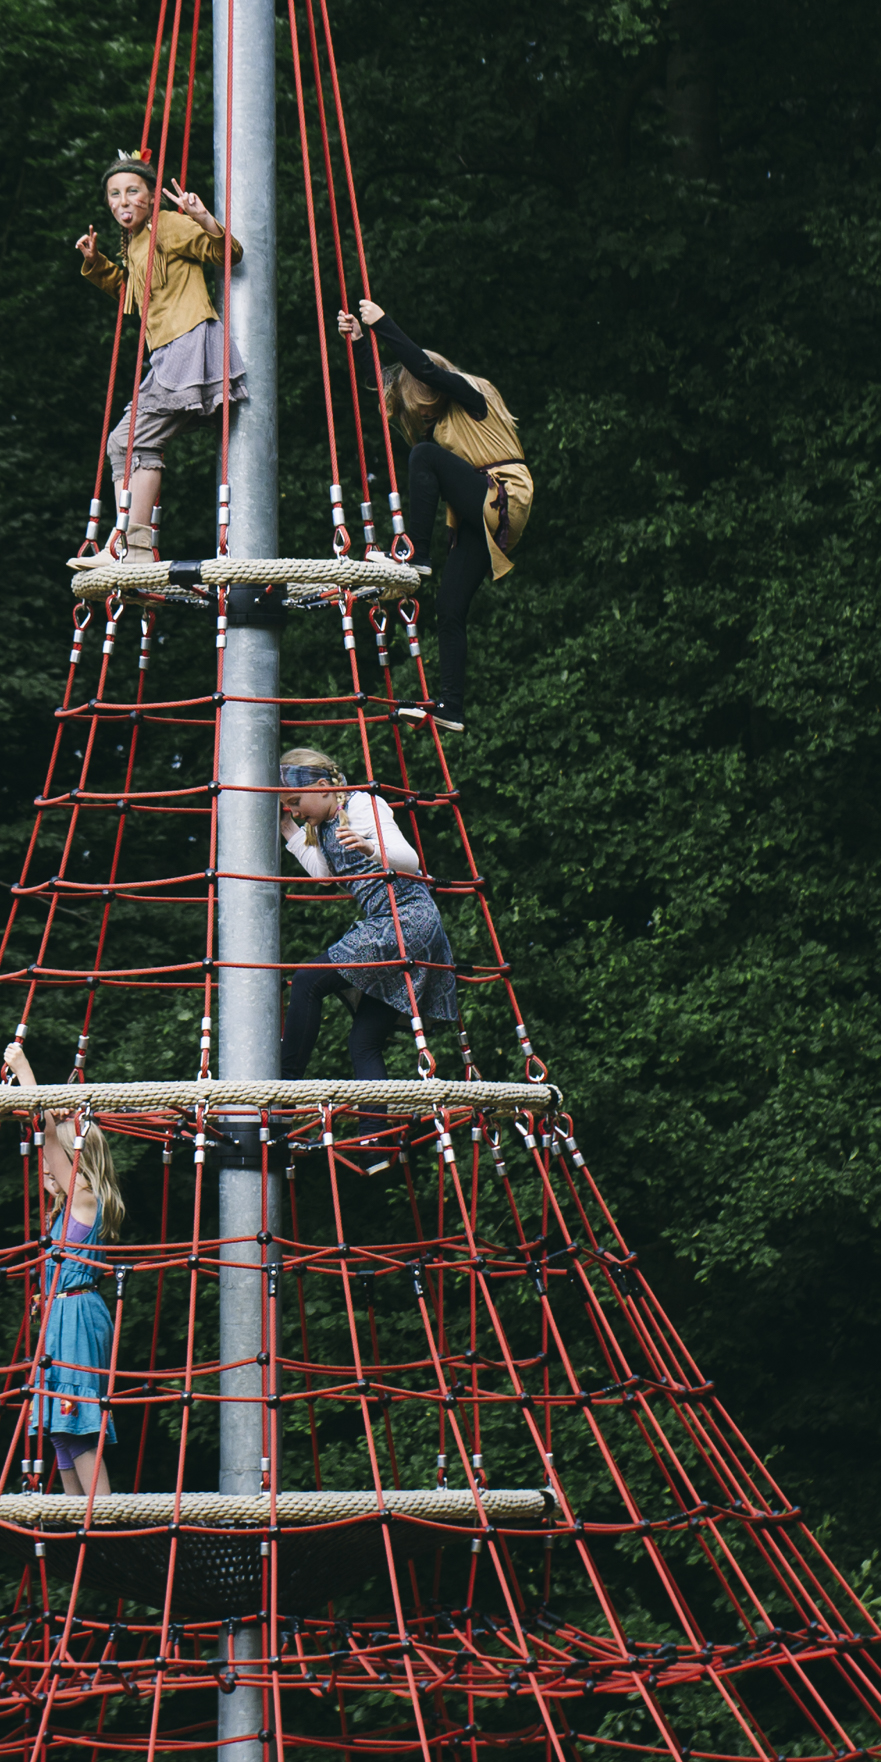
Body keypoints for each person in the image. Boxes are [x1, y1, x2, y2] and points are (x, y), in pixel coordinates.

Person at [340, 296, 529, 732]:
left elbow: (424, 370)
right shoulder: (440, 426)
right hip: (481, 513)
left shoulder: (469, 394)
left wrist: (383, 323)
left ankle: (415, 554)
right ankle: (451, 707)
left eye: (424, 400)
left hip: (502, 493)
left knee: (423, 456)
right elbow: (386, 390)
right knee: (449, 607)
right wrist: (360, 342)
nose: (421, 410)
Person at [274, 746, 462, 1158]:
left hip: (404, 918)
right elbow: (325, 875)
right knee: (363, 1040)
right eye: (288, 806)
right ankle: (376, 1140)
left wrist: (368, 846)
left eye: (296, 802)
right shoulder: (324, 824)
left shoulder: (362, 805)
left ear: (323, 787)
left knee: (307, 981)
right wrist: (288, 829)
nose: (295, 810)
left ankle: (282, 1098)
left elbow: (409, 860)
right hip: (395, 924)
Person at [73, 154, 243, 564]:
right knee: (130, 445)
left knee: (127, 441)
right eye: (114, 194)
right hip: (170, 350)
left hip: (188, 341)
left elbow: (228, 252)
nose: (122, 201)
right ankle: (132, 548)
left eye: (132, 191)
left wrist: (202, 218)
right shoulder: (135, 242)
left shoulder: (166, 225)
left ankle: (128, 546)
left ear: (151, 198)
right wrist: (96, 264)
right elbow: (133, 293)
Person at [0, 1037, 122, 1510]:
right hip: (61, 1317)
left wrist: (25, 1070)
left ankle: (98, 1515)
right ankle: (75, 1517)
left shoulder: (85, 1198)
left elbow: (47, 1137)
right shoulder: (65, 1209)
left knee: (76, 1419)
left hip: (77, 1318)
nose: (50, 1170)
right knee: (58, 1427)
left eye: (61, 1163)